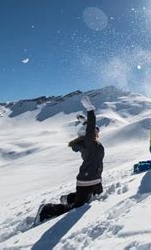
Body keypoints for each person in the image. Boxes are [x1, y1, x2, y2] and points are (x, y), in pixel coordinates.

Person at [34, 96, 105, 225]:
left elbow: (90, 128)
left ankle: (67, 198)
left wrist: (83, 121)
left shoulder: (89, 142)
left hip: (95, 178)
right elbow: (91, 126)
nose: (97, 132)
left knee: (96, 194)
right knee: (76, 208)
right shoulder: (89, 142)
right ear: (87, 133)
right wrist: (90, 109)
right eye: (95, 131)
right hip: (86, 180)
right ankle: (46, 209)